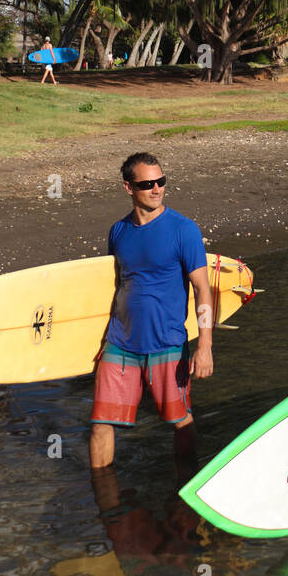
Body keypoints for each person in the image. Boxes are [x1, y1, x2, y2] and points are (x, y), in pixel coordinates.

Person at [89, 153, 213, 468]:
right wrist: (99, 341)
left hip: (167, 342)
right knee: (102, 422)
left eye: (161, 181)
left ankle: (186, 491)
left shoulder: (183, 230)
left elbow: (202, 288)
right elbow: (116, 286)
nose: (156, 189)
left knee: (179, 420)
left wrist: (205, 346)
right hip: (121, 342)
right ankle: (105, 501)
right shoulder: (118, 232)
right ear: (128, 188)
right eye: (147, 184)